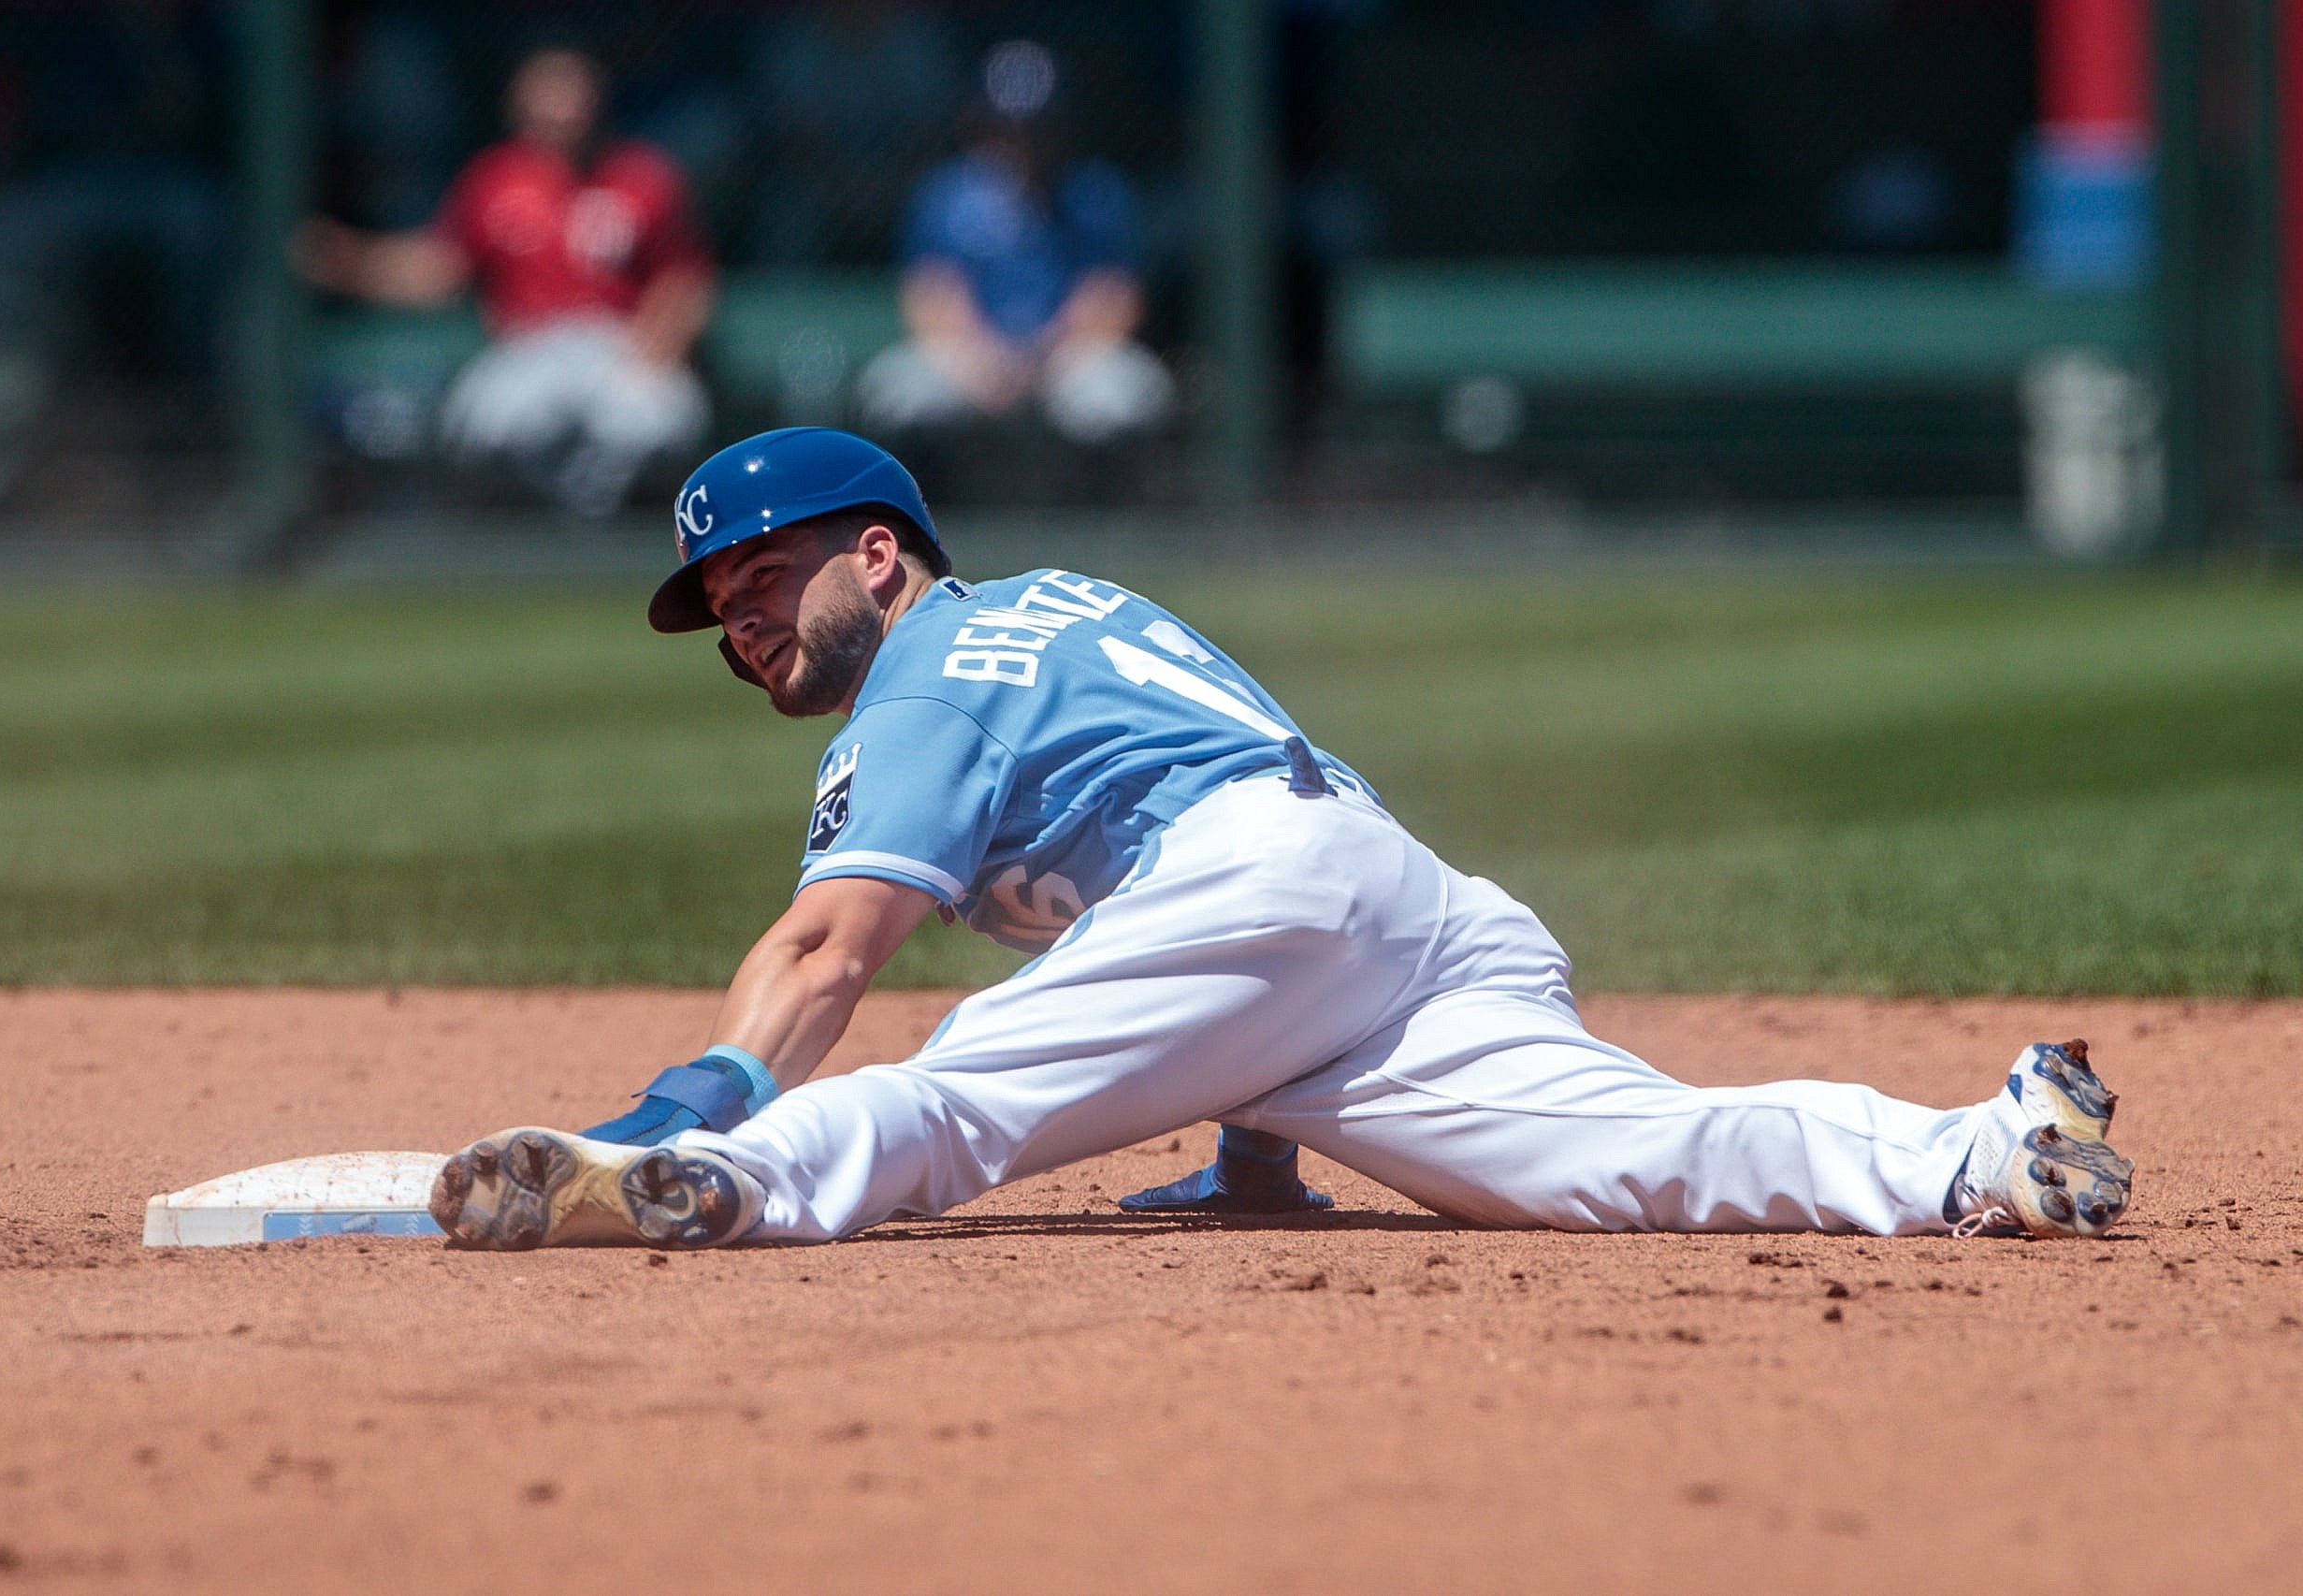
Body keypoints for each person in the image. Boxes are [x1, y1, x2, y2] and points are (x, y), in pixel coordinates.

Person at [427, 428, 2136, 1252]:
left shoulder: (933, 675)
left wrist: (681, 1106)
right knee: (1640, 1157)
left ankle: (702, 1186)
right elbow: (1220, 910)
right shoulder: (1059, 605)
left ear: (880, 555)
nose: (740, 620)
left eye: (763, 575)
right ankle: (1984, 1151)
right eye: (719, 604)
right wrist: (1253, 1154)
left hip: (1270, 889)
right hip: (1395, 906)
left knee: (953, 1095)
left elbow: (826, 948)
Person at [296, 48, 715, 517]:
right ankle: (537, 526)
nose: (560, 117)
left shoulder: (642, 175)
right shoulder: (494, 179)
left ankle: (603, 522)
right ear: (520, 110)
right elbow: (440, 269)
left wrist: (657, 350)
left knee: (658, 423)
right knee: (486, 424)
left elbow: (683, 279)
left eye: (571, 101)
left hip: (617, 342)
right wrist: (352, 261)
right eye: (545, 105)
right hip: (528, 346)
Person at [855, 43, 1174, 448]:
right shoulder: (947, 196)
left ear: (1062, 127)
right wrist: (984, 363)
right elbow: (929, 297)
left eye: (1036, 128)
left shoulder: (1096, 193)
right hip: (969, 356)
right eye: (1006, 127)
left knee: (1123, 394)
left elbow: (1114, 298)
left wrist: (1045, 357)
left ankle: (1098, 490)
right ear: (978, 126)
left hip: (1068, 357)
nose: (1022, 141)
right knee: (900, 391)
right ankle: (929, 489)